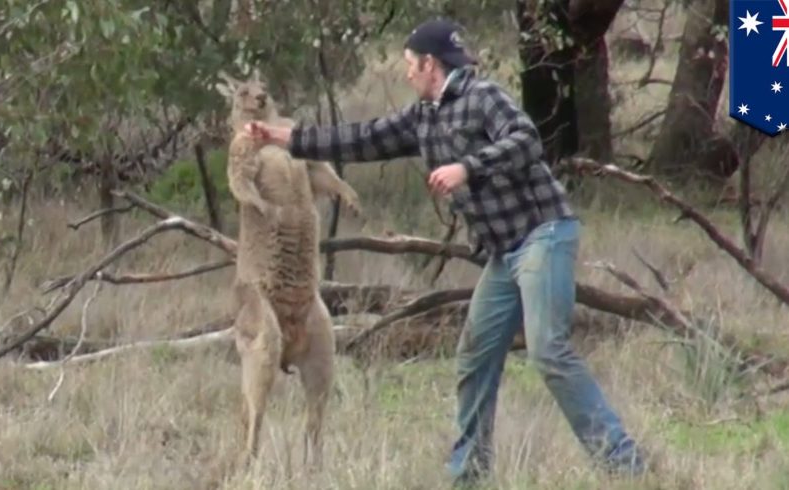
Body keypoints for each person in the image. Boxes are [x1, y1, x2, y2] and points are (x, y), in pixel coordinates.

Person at [241, 17, 646, 485]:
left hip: (543, 234)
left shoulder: (482, 97)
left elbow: (526, 141)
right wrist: (285, 139)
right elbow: (364, 138)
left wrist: (466, 169)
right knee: (474, 357)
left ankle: (624, 465)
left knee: (549, 350)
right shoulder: (424, 115)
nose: (406, 72)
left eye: (411, 64)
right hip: (504, 252)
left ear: (431, 65)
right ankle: (469, 473)